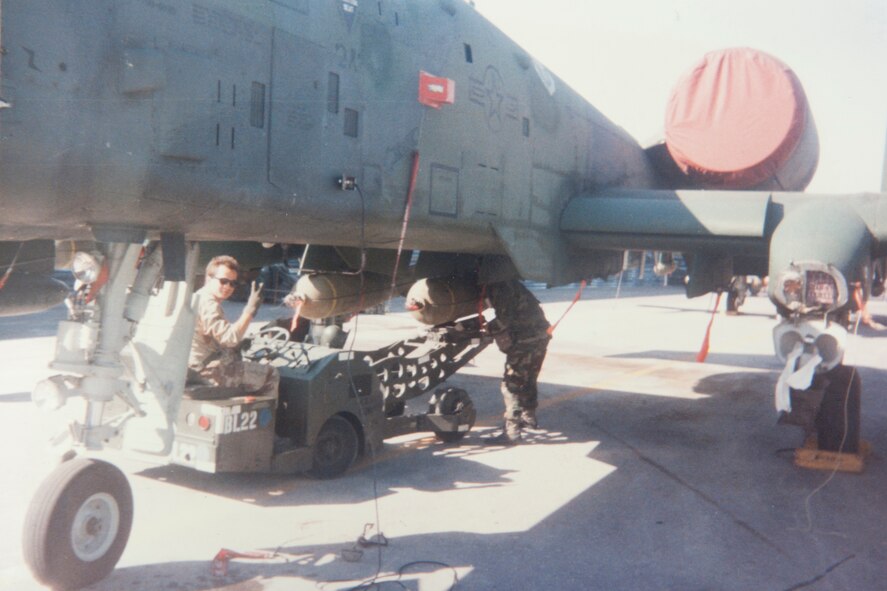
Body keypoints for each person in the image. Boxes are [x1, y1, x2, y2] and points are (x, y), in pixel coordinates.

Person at [188, 255, 279, 397]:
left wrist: (238, 346)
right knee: (271, 373)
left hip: (195, 368)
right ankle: (263, 416)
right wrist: (250, 310)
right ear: (208, 278)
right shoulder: (208, 304)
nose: (228, 287)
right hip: (206, 373)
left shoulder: (198, 297)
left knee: (236, 359)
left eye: (232, 283)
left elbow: (219, 338)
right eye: (223, 281)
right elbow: (230, 338)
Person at [484, 279, 551, 444]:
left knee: (511, 385)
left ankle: (511, 432)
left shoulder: (499, 288)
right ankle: (529, 418)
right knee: (529, 377)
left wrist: (486, 327)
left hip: (525, 340)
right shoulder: (513, 285)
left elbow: (505, 319)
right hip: (540, 337)